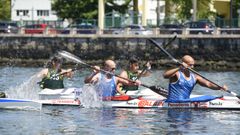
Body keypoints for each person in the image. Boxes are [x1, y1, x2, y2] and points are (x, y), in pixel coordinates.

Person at [163, 55, 228, 102]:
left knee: (207, 97)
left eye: (193, 65)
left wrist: (220, 87)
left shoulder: (195, 77)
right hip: (173, 102)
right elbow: (165, 75)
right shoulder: (176, 74)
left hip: (185, 102)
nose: (193, 67)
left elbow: (208, 84)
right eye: (190, 65)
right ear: (184, 64)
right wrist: (179, 68)